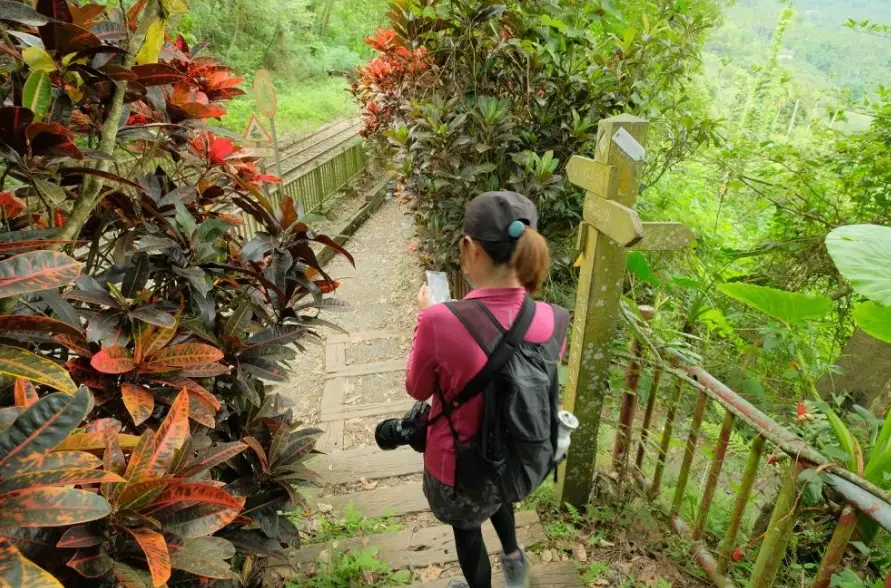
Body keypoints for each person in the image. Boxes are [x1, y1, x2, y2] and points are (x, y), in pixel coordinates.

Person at [406, 191, 567, 588]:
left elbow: (417, 387)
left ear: (470, 248)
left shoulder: (440, 321)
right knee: (498, 497)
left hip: (458, 466)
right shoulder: (553, 319)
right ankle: (514, 561)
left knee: (467, 530)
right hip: (514, 452)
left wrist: (427, 317)